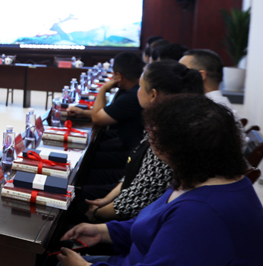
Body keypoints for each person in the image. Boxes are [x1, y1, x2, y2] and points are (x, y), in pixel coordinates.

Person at [59, 95, 263, 266]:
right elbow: (154, 226)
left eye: (154, 134)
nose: (150, 140)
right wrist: (104, 231)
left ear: (174, 149)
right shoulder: (203, 177)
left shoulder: (199, 213)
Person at [80, 61, 204, 224]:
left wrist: (97, 214)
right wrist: (106, 200)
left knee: (76, 200)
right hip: (129, 202)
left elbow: (139, 198)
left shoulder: (168, 135)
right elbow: (136, 173)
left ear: (153, 95)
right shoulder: (158, 122)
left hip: (140, 223)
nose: (136, 91)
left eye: (140, 87)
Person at [68, 53, 144, 175]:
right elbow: (109, 113)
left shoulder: (131, 96)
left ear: (118, 76)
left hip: (130, 155)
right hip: (131, 146)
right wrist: (83, 113)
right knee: (91, 148)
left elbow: (98, 118)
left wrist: (103, 89)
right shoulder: (136, 90)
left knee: (84, 162)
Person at [179, 48, 236, 113]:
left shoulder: (209, 110)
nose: (178, 76)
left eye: (182, 72)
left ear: (200, 76)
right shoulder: (220, 106)